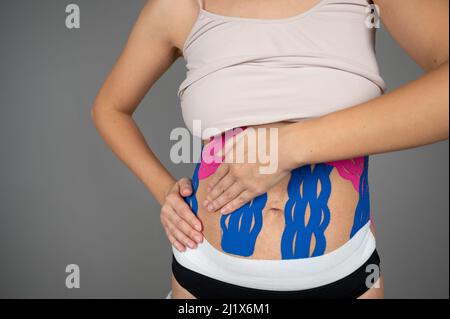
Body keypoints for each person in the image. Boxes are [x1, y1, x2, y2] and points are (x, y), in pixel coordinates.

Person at [91, 0, 449, 299]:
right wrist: (164, 190)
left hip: (344, 276)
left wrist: (286, 148)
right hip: (206, 275)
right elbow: (110, 108)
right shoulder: (181, 7)